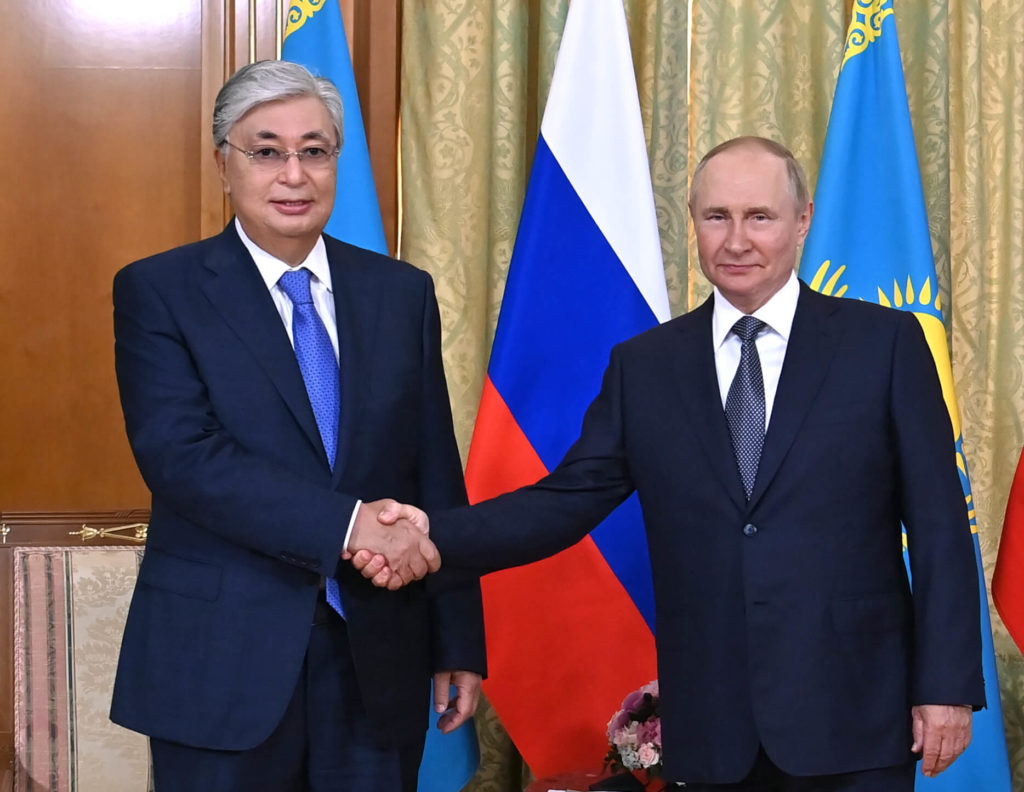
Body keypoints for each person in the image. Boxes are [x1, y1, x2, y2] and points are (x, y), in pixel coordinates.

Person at [350, 136, 984, 790]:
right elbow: (563, 502)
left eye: (759, 217)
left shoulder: (883, 347)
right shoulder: (646, 367)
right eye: (717, 217)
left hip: (856, 720)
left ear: (802, 222)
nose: (736, 240)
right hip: (713, 729)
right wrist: (424, 535)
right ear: (694, 223)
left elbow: (939, 527)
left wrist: (947, 688)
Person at [110, 59, 485, 792]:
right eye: (267, 150)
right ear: (224, 163)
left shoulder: (400, 294)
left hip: (376, 661)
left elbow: (434, 469)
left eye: (314, 151)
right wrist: (352, 525)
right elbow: (183, 458)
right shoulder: (160, 291)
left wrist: (458, 636)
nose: (293, 174)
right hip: (220, 666)